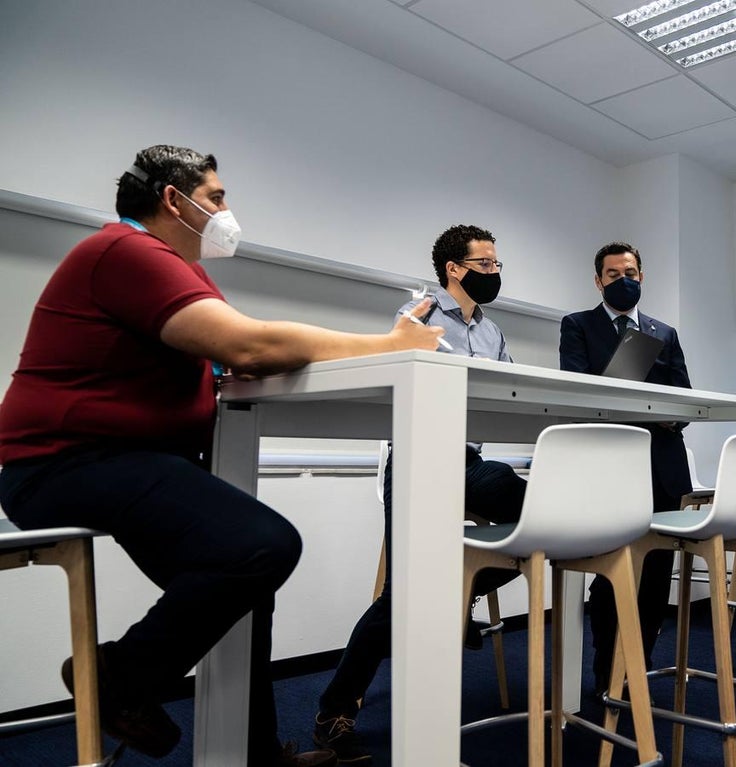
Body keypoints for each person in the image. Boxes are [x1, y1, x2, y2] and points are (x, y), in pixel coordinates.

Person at [0, 145, 443, 766]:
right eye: (216, 196)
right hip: (62, 462)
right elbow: (251, 345)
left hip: (124, 459)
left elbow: (235, 351)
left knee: (246, 582)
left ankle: (255, 754)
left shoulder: (175, 269)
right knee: (260, 545)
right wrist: (389, 343)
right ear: (172, 200)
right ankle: (116, 678)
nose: (226, 210)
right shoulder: (124, 251)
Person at [313, 225, 526, 763]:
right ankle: (335, 707)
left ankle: (463, 586)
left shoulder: (494, 332)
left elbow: (503, 397)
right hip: (418, 455)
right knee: (402, 594)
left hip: (468, 460)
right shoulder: (419, 317)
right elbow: (397, 379)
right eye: (485, 264)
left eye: (498, 264)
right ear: (455, 269)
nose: (495, 272)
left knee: (544, 520)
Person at [558, 241, 693, 695]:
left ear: (642, 276)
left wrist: (658, 409)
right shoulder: (577, 326)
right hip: (608, 464)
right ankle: (605, 668)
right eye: (613, 274)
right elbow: (578, 391)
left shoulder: (664, 332)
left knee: (655, 574)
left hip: (662, 465)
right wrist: (634, 399)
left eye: (630, 272)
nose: (623, 280)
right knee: (609, 571)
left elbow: (684, 396)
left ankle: (638, 663)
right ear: (598, 281)